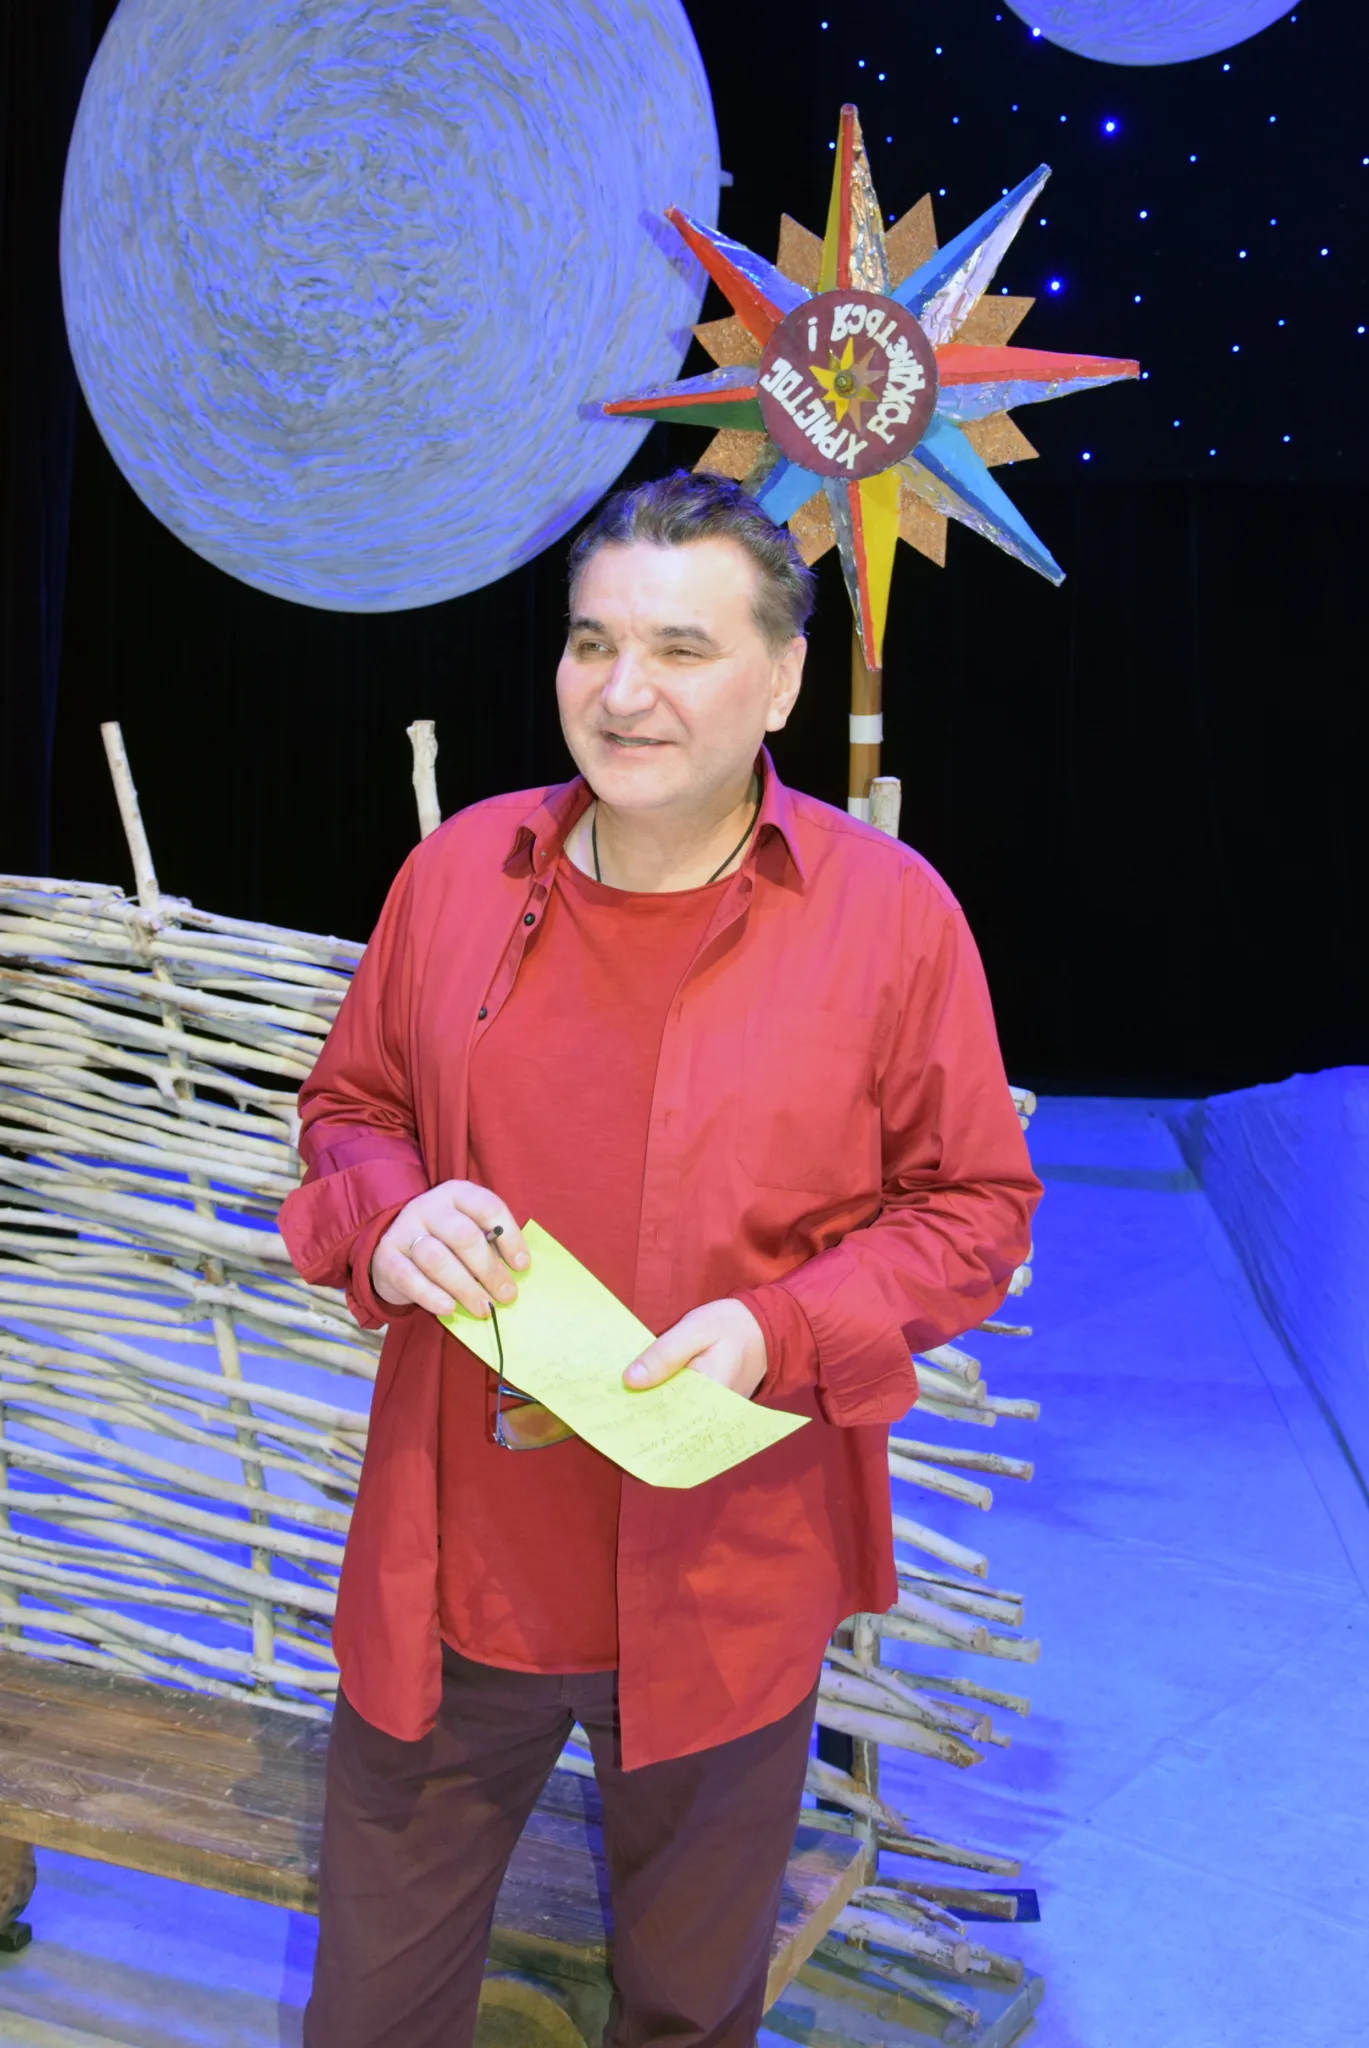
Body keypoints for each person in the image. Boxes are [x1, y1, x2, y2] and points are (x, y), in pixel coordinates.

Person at [278, 470, 1041, 2048]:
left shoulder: (890, 920)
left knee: (691, 2014)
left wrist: (783, 1329)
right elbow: (352, 1109)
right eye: (592, 642)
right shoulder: (459, 873)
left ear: (783, 676)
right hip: (455, 1571)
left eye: (683, 649)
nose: (623, 692)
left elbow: (974, 1207)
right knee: (370, 2013)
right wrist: (392, 1210)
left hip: (726, 1574)